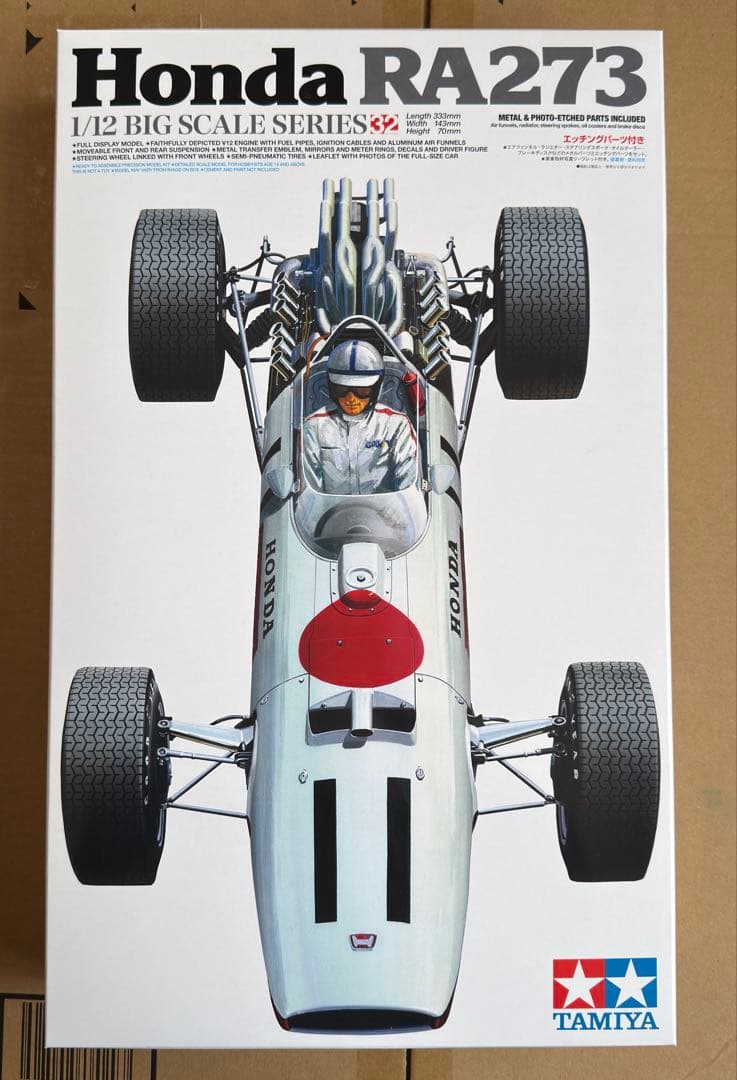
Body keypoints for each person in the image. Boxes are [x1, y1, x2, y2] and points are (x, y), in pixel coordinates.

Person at [302, 340, 418, 495]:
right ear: (332, 387)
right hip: (330, 509)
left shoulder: (397, 424)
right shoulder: (314, 426)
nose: (351, 398)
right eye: (342, 389)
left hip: (386, 509)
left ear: (375, 389)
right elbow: (308, 489)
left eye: (361, 391)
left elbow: (409, 481)